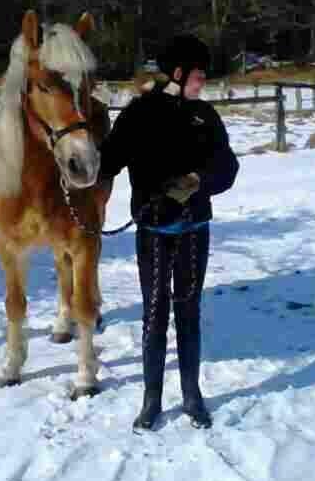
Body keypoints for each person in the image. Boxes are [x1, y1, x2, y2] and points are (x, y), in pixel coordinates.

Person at [97, 34, 239, 430]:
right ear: (178, 73)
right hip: (153, 230)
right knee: (154, 313)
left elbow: (228, 167)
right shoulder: (139, 114)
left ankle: (192, 395)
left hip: (194, 227)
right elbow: (107, 161)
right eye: (198, 74)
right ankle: (151, 399)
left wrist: (196, 180)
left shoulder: (206, 116)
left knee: (189, 310)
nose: (203, 81)